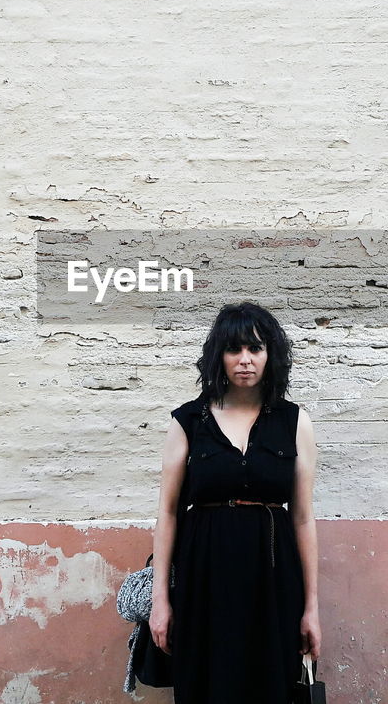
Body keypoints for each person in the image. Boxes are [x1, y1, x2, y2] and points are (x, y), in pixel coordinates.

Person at [149, 301, 321, 704]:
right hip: (202, 577)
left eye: (255, 349)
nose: (245, 360)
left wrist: (311, 606)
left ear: (270, 356)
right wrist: (161, 600)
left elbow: (303, 518)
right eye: (234, 349)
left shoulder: (295, 422)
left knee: (271, 683)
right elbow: (168, 512)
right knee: (206, 682)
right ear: (218, 356)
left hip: (273, 578)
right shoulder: (188, 421)